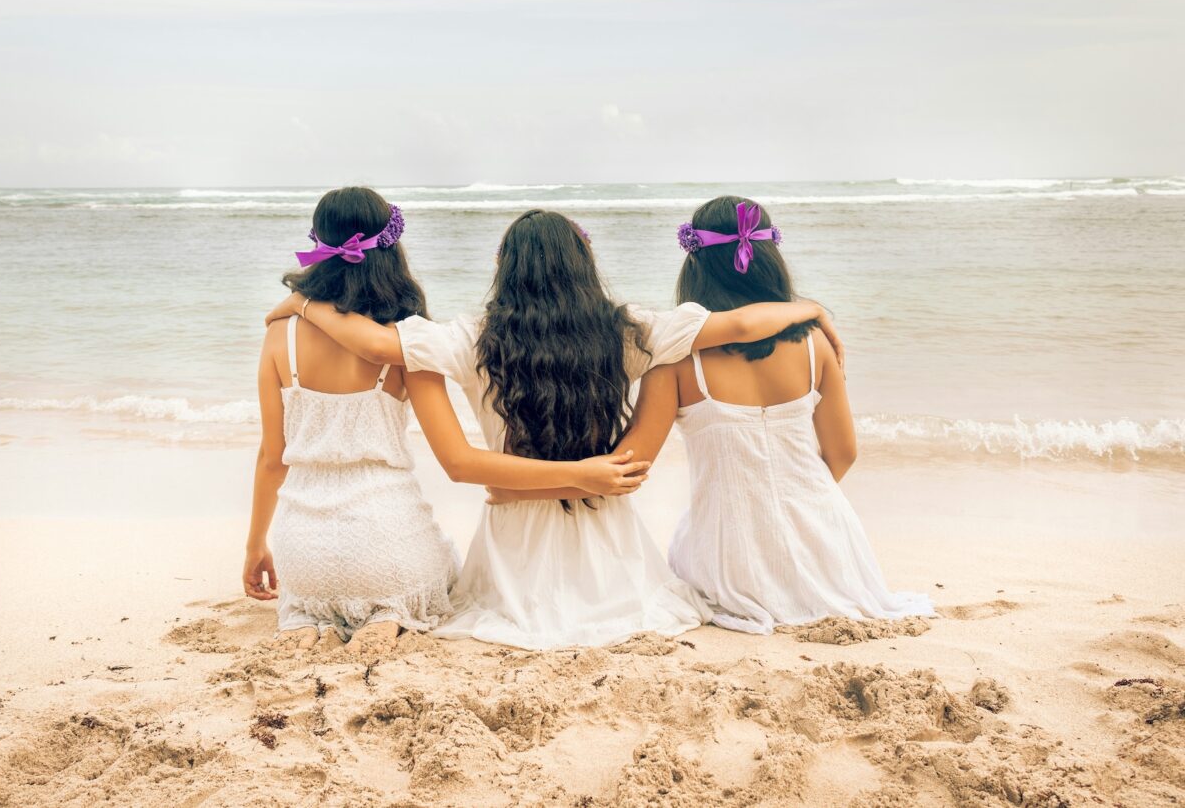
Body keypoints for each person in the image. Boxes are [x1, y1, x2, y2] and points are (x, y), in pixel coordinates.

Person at [266, 208, 844, 649]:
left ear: (503, 269)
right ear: (585, 264)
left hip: (512, 548)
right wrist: (810, 309)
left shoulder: (472, 338)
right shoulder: (630, 332)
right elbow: (740, 322)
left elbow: (373, 341)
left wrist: (305, 303)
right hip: (612, 550)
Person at [501, 196, 933, 634]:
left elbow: (625, 472)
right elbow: (843, 454)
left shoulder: (677, 360)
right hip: (831, 551)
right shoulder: (816, 344)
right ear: (771, 259)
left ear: (695, 265)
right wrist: (792, 509)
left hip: (729, 554)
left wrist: (522, 483)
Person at [245, 190, 653, 653]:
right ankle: (388, 614)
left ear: (317, 242)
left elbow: (271, 458)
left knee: (305, 599)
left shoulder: (281, 334)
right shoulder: (405, 335)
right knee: (431, 573)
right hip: (386, 538)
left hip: (303, 547)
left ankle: (305, 617)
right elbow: (453, 458)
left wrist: (255, 545)